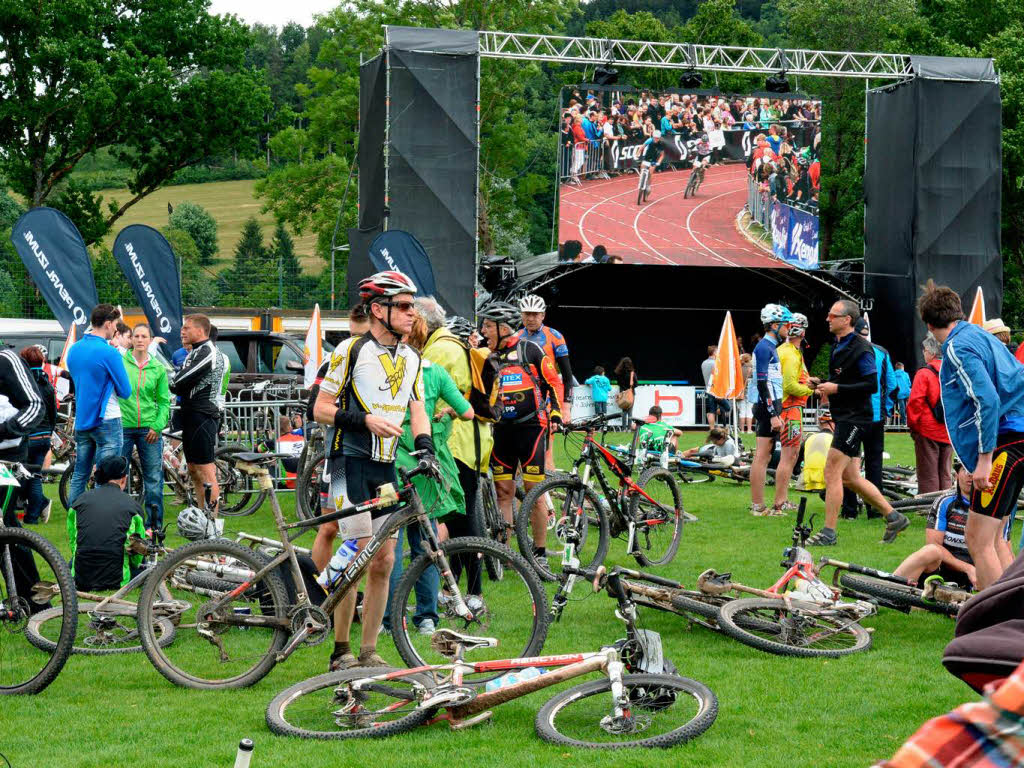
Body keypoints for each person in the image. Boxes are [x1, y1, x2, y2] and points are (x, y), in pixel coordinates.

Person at [313, 269, 433, 670]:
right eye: (403, 305)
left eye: (413, 306)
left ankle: (369, 650)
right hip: (348, 461)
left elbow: (418, 410)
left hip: (384, 467)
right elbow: (320, 409)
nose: (411, 313)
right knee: (356, 553)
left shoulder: (413, 356)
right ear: (378, 310)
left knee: (383, 558)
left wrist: (426, 449)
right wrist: (363, 421)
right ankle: (341, 649)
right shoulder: (350, 350)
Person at [917, 280, 1024, 589]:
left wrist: (985, 459)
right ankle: (1005, 611)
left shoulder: (957, 347)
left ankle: (995, 621)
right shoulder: (979, 334)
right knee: (992, 534)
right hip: (1016, 438)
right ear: (958, 312)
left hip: (1008, 443)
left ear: (927, 323)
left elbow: (987, 399)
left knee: (977, 538)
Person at [384, 312, 473, 636]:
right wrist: (446, 412)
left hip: (392, 459)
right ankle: (426, 617)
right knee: (427, 542)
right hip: (426, 461)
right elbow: (468, 411)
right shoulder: (435, 373)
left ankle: (389, 619)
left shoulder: (391, 372)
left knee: (389, 545)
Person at [805, 299, 909, 545]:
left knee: (831, 472)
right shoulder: (838, 345)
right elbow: (843, 381)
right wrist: (822, 384)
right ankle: (894, 517)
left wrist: (836, 388)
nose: (827, 319)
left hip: (856, 419)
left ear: (846, 320)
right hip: (845, 417)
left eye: (832, 315)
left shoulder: (862, 349)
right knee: (850, 477)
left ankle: (829, 533)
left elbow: (871, 384)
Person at [480, 300, 563, 568]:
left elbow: (554, 382)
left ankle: (539, 553)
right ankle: (505, 554)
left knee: (533, 492)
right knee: (503, 491)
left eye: (488, 326)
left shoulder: (530, 349)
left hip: (531, 430)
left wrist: (556, 413)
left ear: (504, 327)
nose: (484, 331)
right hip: (501, 431)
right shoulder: (486, 356)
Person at [309, 304, 371, 577]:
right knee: (333, 527)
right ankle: (319, 592)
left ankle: (340, 591)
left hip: (372, 457)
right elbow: (314, 405)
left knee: (361, 532)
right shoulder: (337, 356)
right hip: (340, 455)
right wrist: (360, 420)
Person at [66, 304, 132, 507]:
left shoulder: (74, 349)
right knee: (106, 477)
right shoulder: (109, 352)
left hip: (83, 420)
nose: (117, 330)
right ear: (108, 323)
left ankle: (74, 520)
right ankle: (98, 520)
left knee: (80, 474)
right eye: (116, 325)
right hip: (107, 420)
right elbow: (125, 391)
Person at [170, 314, 226, 513]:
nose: (182, 332)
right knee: (193, 469)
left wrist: (174, 383)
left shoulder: (208, 351)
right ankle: (203, 516)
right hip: (191, 414)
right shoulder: (195, 351)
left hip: (203, 415)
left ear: (201, 331)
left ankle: (212, 525)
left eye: (187, 328)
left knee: (206, 470)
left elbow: (178, 382)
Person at [843, 317, 897, 520]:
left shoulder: (846, 349)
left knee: (848, 463)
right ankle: (874, 509)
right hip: (876, 418)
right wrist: (886, 410)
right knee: (875, 464)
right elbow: (892, 385)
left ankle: (849, 510)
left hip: (853, 417)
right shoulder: (882, 352)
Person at [66, 455, 146, 591]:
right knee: (144, 564)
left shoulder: (79, 502)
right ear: (124, 479)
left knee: (71, 562)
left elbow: (74, 542)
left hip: (81, 578)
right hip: (117, 579)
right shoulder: (134, 507)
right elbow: (136, 554)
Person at [118, 323, 170, 532]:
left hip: (149, 429)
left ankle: (154, 526)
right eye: (136, 336)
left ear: (150, 340)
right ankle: (120, 524)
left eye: (144, 336)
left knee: (153, 478)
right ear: (131, 339)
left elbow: (164, 402)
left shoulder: (158, 368)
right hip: (122, 426)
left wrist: (157, 426)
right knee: (118, 477)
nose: (140, 340)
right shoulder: (120, 362)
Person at [890, 471, 978, 590]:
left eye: (975, 470)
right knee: (931, 551)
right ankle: (886, 591)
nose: (970, 475)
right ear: (957, 475)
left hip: (978, 575)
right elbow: (934, 544)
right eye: (966, 470)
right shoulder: (945, 502)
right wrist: (968, 568)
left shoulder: (996, 506)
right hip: (941, 571)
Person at [514, 294, 573, 471]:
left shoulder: (555, 336)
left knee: (546, 453)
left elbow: (567, 375)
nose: (531, 318)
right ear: (521, 315)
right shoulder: (516, 337)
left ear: (543, 315)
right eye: (527, 314)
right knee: (519, 451)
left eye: (535, 314)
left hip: (547, 400)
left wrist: (565, 407)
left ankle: (545, 492)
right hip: (522, 399)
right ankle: (524, 496)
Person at [749, 304, 791, 517]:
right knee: (762, 456)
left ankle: (758, 505)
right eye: (785, 325)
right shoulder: (764, 347)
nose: (788, 328)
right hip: (767, 405)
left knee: (763, 454)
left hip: (771, 404)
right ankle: (757, 505)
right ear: (775, 325)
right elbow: (762, 383)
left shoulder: (770, 346)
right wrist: (773, 414)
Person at [773, 312, 813, 515]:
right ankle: (780, 501)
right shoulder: (789, 353)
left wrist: (809, 382)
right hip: (790, 410)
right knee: (789, 457)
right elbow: (788, 385)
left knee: (792, 455)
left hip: (791, 409)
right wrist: (812, 390)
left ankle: (782, 500)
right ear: (802, 330)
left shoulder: (790, 351)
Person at [907, 334, 952, 495]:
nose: (923, 353)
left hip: (927, 429)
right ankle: (946, 504)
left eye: (924, 350)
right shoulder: (953, 371)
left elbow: (915, 402)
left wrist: (913, 427)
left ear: (931, 352)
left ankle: (928, 506)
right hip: (948, 429)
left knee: (928, 472)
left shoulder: (924, 373)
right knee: (945, 472)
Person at [17, 346, 54, 524]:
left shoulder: (23, 384)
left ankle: (32, 516)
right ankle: (39, 506)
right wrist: (50, 431)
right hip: (44, 436)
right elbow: (53, 411)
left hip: (29, 436)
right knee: (33, 476)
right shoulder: (46, 384)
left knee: (28, 478)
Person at [701, 345, 725, 428]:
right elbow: (718, 377)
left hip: (708, 389)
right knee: (726, 407)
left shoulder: (704, 363)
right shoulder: (715, 363)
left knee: (712, 410)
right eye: (717, 351)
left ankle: (712, 428)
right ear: (714, 352)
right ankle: (722, 426)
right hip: (716, 389)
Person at [614, 357, 637, 429]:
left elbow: (618, 383)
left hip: (622, 394)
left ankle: (623, 428)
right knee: (630, 412)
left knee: (624, 411)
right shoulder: (632, 373)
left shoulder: (618, 373)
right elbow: (636, 384)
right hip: (630, 393)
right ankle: (629, 428)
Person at [738, 353, 754, 433]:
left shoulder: (739, 368)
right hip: (751, 392)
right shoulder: (752, 368)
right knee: (749, 411)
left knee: (742, 411)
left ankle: (742, 430)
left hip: (741, 392)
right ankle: (749, 429)